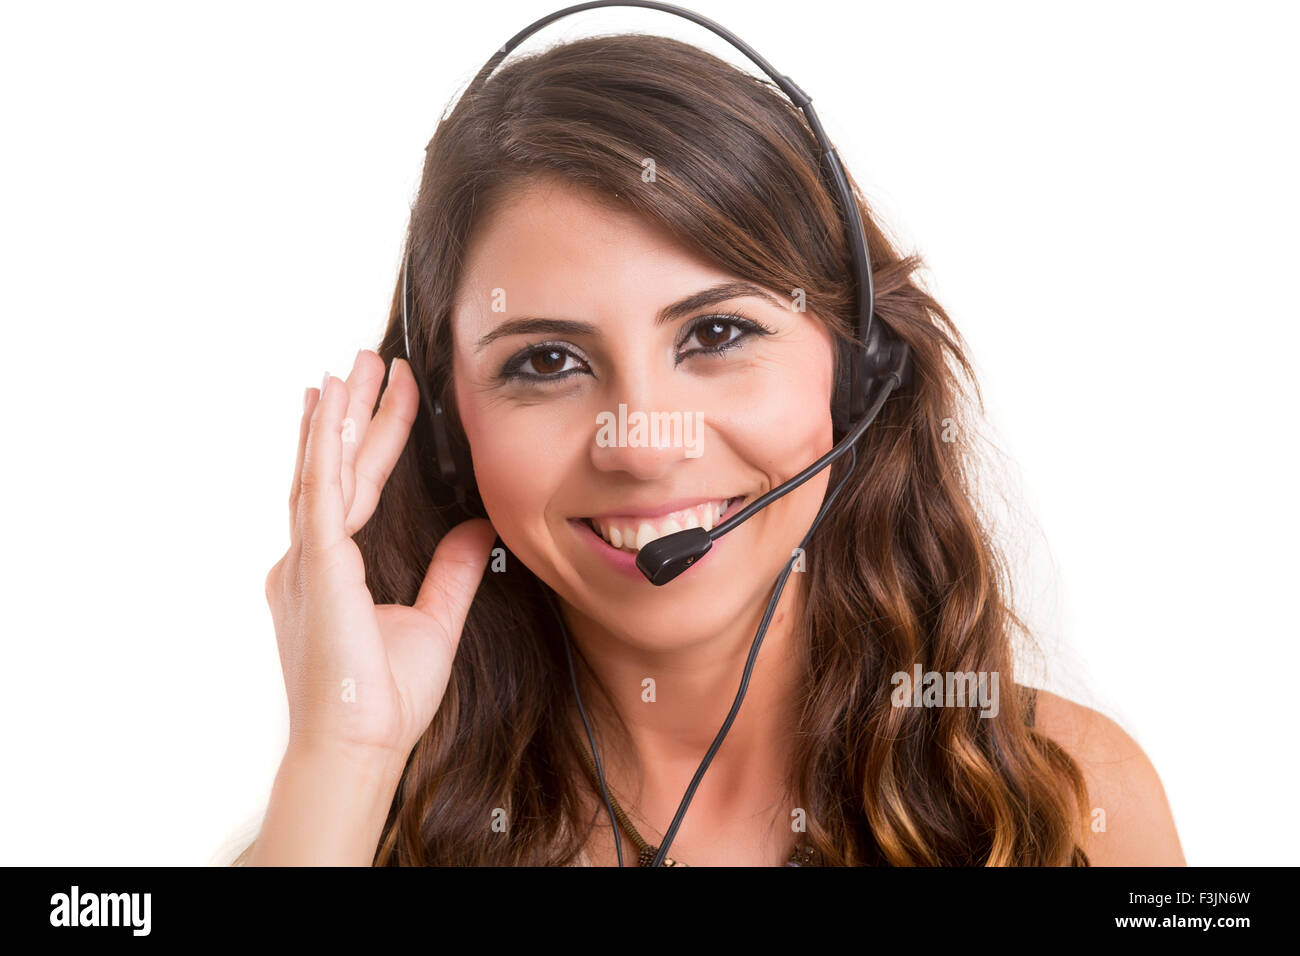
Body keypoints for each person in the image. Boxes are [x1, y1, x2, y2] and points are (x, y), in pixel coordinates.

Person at [236, 33, 1184, 866]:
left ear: (857, 374)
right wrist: (345, 759)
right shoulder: (338, 828)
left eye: (717, 335)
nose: (644, 446)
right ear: (447, 433)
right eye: (549, 359)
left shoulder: (1073, 804)